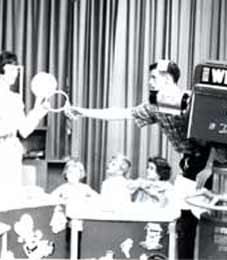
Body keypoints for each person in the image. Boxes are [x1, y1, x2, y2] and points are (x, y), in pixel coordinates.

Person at [66, 60, 211, 259]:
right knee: (184, 218)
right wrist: (84, 112)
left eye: (154, 78)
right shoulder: (154, 106)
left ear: (167, 79)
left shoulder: (191, 100)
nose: (149, 82)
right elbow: (121, 113)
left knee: (200, 218)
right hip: (190, 164)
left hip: (207, 164)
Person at [0, 51, 50, 206]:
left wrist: (39, 110)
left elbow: (24, 130)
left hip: (12, 153)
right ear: (2, 72)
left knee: (11, 200)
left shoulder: (16, 99)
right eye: (12, 69)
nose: (16, 72)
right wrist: (15, 120)